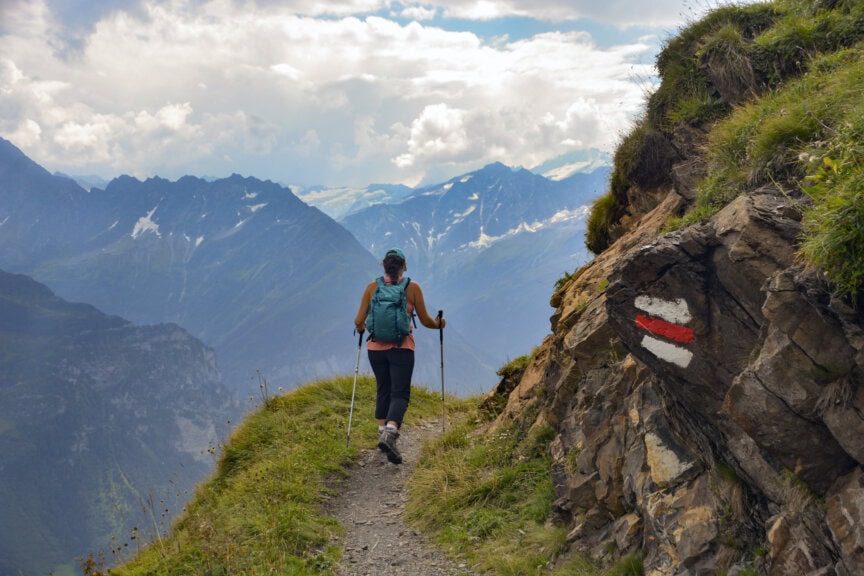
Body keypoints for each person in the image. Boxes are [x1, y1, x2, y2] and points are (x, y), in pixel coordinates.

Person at [354, 248, 445, 464]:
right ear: (403, 266)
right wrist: (440, 323)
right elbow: (425, 321)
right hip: (402, 348)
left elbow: (358, 321)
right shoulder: (412, 287)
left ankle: (382, 433)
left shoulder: (371, 288)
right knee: (400, 394)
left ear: (384, 266)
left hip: (375, 349)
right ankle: (390, 433)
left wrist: (361, 330)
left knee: (383, 389)